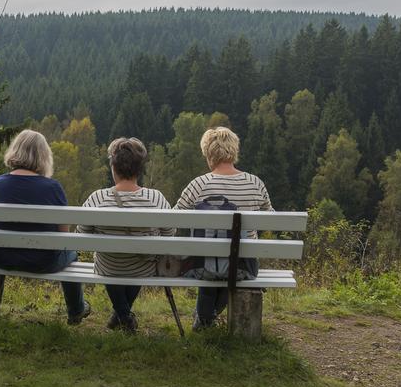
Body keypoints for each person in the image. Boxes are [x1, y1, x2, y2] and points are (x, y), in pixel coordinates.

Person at [174, 126, 274, 330]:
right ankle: (205, 319)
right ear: (234, 151)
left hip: (203, 267)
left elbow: (173, 219)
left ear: (208, 154)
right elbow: (270, 219)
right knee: (227, 263)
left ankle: (203, 320)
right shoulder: (255, 183)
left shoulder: (198, 185)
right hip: (244, 267)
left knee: (212, 261)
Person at [0, 129, 91, 325]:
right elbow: (63, 236)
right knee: (72, 253)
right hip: (43, 262)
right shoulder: (52, 187)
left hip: (2, 259)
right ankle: (76, 310)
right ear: (43, 156)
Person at [78, 137, 172, 332]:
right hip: (143, 267)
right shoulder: (155, 198)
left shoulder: (98, 198)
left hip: (108, 266)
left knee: (112, 262)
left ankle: (122, 316)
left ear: (113, 167)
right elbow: (170, 233)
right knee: (137, 261)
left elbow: (81, 234)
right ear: (139, 169)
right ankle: (123, 316)